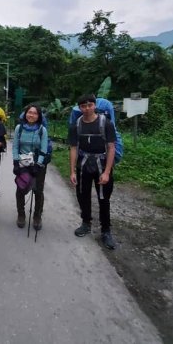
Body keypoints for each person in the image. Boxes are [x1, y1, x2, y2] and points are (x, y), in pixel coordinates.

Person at [68, 94, 117, 250]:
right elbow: (74, 148)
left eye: (90, 105)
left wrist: (107, 172)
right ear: (80, 108)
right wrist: (72, 171)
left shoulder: (106, 124)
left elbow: (111, 148)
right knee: (83, 196)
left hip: (101, 164)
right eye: (83, 106)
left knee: (103, 198)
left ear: (94, 105)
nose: (87, 108)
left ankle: (106, 231)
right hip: (83, 165)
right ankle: (86, 223)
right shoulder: (76, 125)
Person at [12, 104, 49, 230]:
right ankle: (21, 214)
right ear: (25, 114)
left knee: (38, 190)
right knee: (21, 188)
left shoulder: (42, 130)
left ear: (38, 116)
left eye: (35, 113)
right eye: (29, 112)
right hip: (23, 163)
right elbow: (15, 146)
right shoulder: (19, 128)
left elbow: (44, 149)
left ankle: (37, 216)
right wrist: (16, 162)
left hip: (38, 164)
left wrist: (38, 165)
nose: (31, 115)